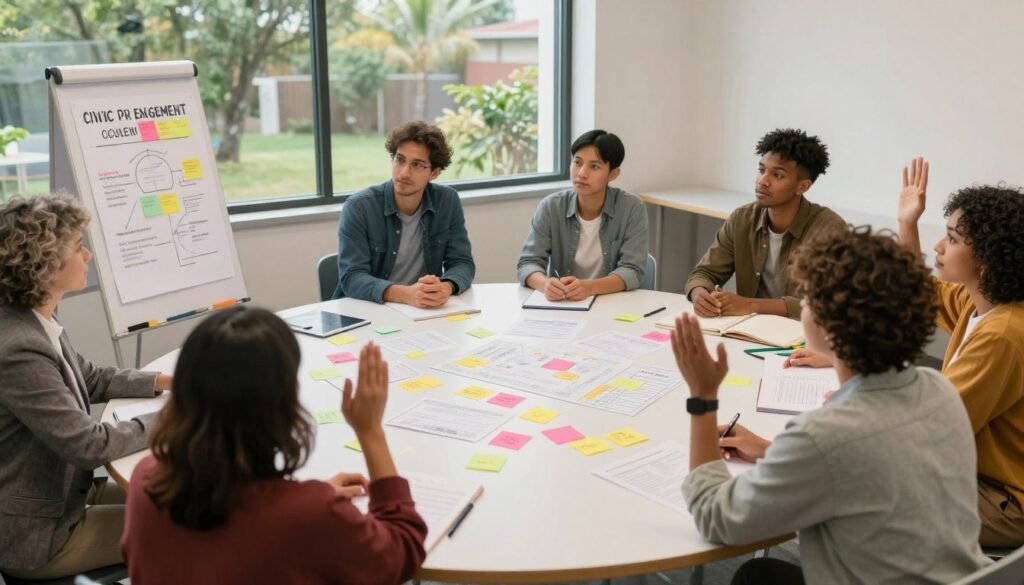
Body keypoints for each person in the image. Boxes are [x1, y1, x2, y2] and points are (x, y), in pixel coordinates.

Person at [672, 226, 989, 584]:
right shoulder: (938, 390)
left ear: (829, 329)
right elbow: (864, 461)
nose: (803, 306)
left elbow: (716, 518)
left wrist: (703, 397)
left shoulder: (824, 435)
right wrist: (773, 451)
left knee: (755, 576)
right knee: (759, 574)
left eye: (807, 298)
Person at [122, 307, 427, 584]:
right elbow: (402, 549)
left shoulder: (145, 478)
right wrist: (370, 431)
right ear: (279, 404)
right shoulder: (310, 517)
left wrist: (304, 501)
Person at [0, 194, 172, 579]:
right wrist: (177, 416)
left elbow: (90, 378)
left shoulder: (32, 318)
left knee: (187, 501)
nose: (89, 256)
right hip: (39, 534)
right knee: (188, 528)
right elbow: (88, 445)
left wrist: (167, 381)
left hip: (64, 496)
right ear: (43, 263)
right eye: (79, 247)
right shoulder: (17, 347)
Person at [685, 128, 845, 319]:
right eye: (762, 170)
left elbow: (827, 304)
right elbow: (704, 273)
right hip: (747, 330)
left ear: (802, 186)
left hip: (802, 337)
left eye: (777, 175)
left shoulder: (830, 230)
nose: (762, 181)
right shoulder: (742, 219)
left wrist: (751, 305)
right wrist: (699, 294)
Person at [334, 120, 475, 308]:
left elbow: (462, 262)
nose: (404, 173)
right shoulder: (359, 207)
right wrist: (406, 294)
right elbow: (352, 277)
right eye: (400, 160)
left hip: (423, 310)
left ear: (434, 173)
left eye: (417, 165)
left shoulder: (447, 201)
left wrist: (446, 287)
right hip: (370, 309)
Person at [517, 130, 648, 300]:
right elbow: (528, 263)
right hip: (565, 304)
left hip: (612, 303)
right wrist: (545, 284)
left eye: (594, 166)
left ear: (613, 174)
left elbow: (632, 270)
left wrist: (588, 287)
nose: (582, 173)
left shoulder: (632, 208)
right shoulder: (551, 207)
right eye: (577, 162)